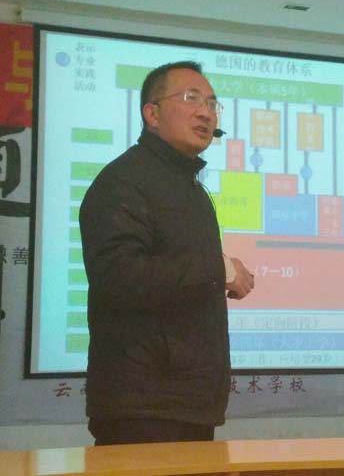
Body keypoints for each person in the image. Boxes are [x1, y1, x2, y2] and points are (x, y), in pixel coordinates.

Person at [79, 61, 255, 445]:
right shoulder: (124, 181)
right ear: (152, 114)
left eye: (212, 103)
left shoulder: (188, 186)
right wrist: (220, 270)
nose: (205, 112)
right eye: (191, 98)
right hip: (143, 408)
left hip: (185, 402)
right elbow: (120, 276)